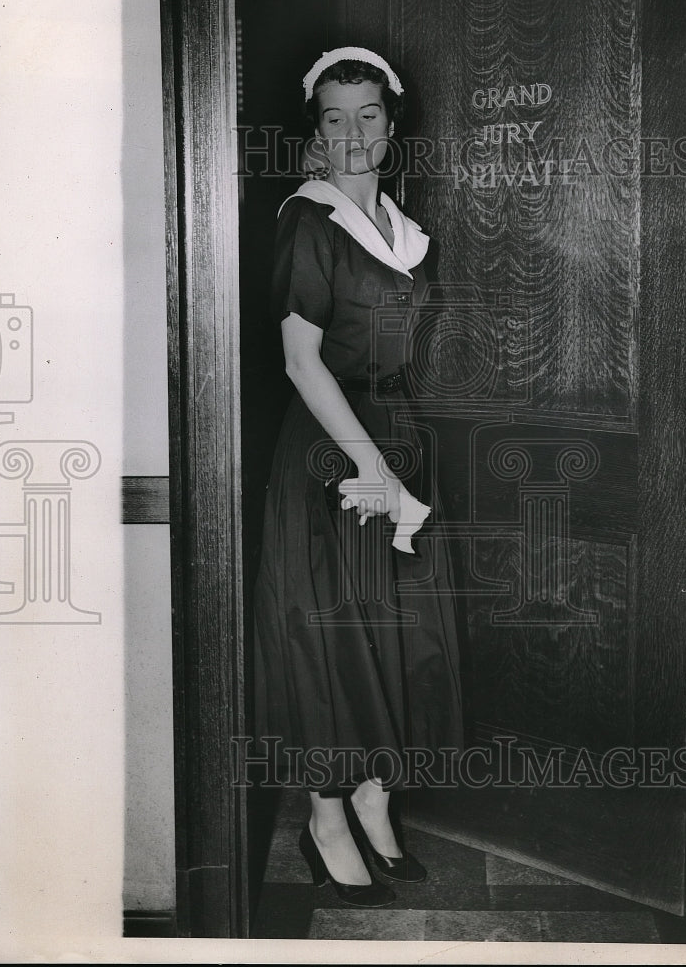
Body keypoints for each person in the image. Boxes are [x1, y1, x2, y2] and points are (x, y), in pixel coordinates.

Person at [252, 46, 463, 908]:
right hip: (330, 460)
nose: (351, 133)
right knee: (331, 641)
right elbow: (303, 365)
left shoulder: (399, 225)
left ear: (390, 121)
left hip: (392, 437)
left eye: (367, 114)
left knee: (399, 631)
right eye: (333, 117)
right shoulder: (306, 222)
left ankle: (377, 800)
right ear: (314, 131)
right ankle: (325, 817)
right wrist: (374, 470)